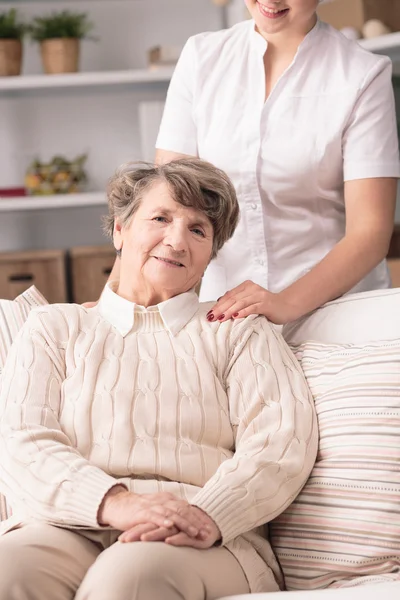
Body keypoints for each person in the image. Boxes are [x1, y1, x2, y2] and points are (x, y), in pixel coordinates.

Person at [0, 158, 317, 600]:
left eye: (198, 229)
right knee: (8, 569)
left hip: (201, 534)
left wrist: (208, 515)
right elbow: (22, 442)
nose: (177, 240)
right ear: (119, 230)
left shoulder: (239, 331)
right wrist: (117, 504)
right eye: (161, 218)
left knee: (129, 577)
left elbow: (281, 444)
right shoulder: (52, 327)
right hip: (69, 525)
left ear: (211, 252)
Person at [149, 0, 400, 326]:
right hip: (226, 312)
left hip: (339, 314)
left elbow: (370, 233)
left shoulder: (363, 74)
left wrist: (284, 304)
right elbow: (168, 200)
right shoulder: (201, 58)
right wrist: (122, 297)